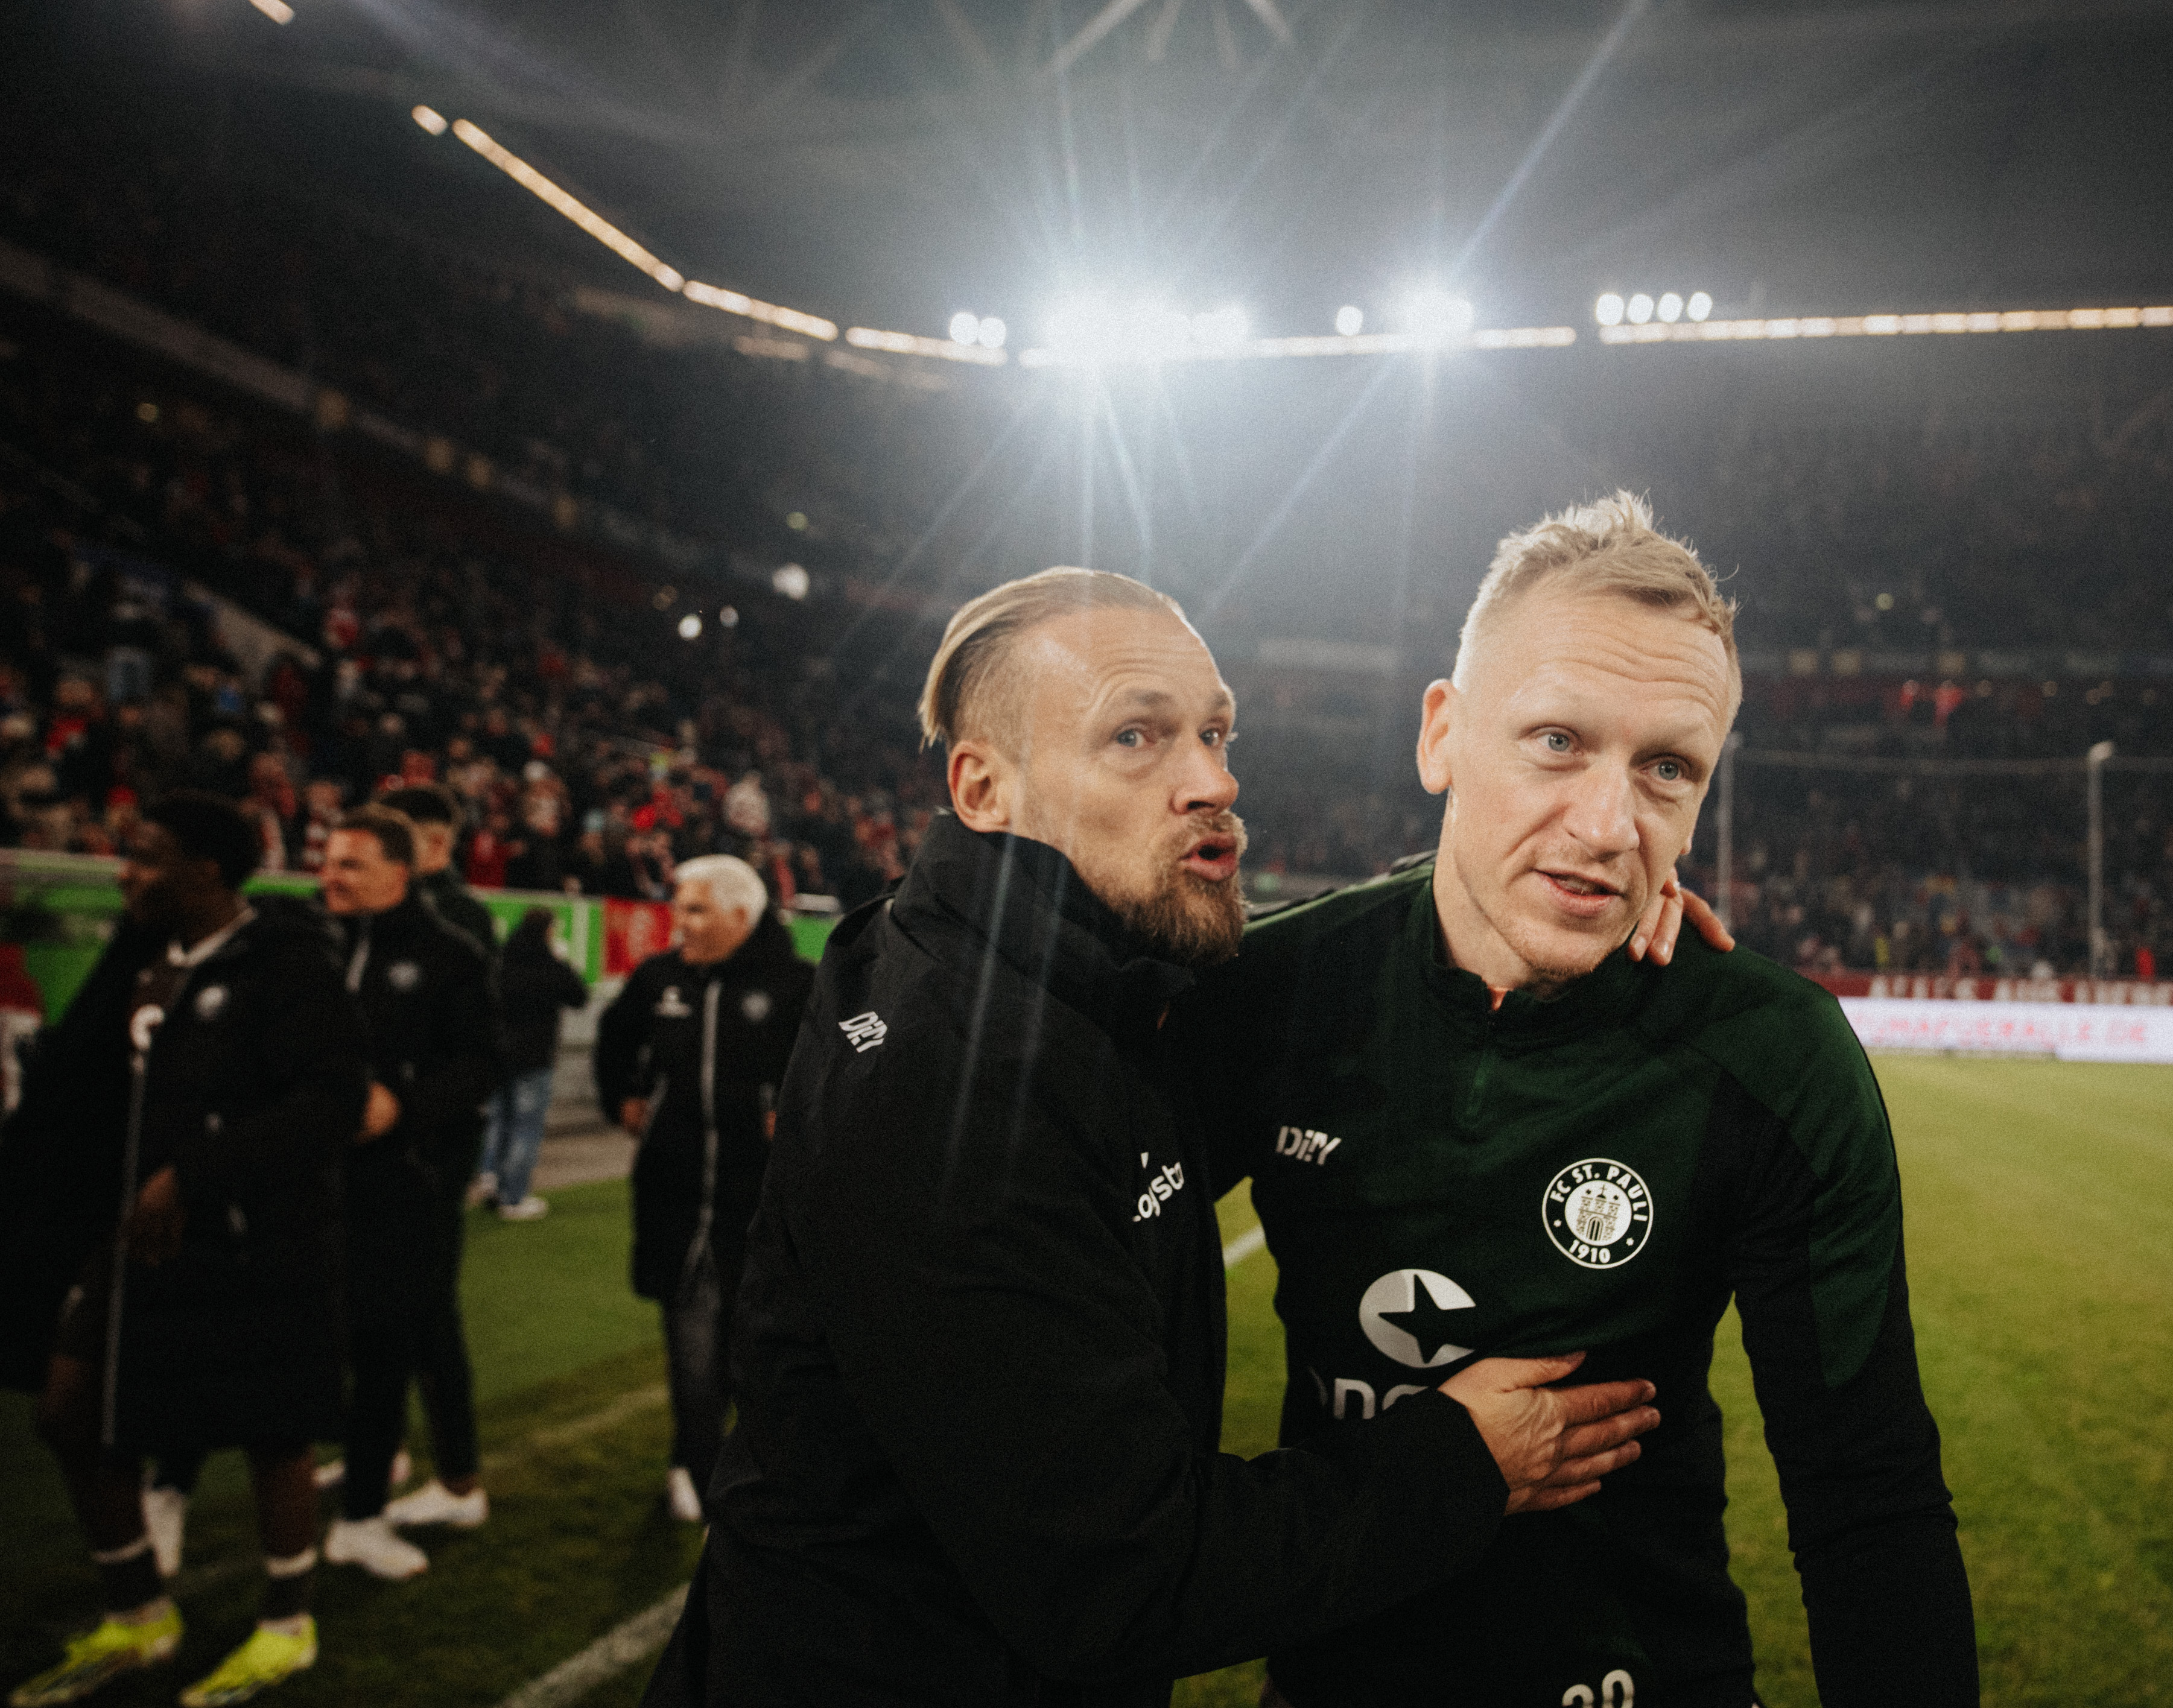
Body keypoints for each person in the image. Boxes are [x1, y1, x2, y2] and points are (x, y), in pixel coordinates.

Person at [642, 569, 1662, 1708]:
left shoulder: (1058, 978)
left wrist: (1567, 886)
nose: (1215, 780)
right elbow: (1125, 1578)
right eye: (1137, 736)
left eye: (1216, 731)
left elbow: (1282, 973)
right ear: (984, 788)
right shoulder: (963, 1095)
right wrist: (1465, 1460)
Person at [1179, 494, 1977, 1708]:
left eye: (1667, 768)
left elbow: (1867, 1504)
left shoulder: (1773, 1054)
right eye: (1556, 740)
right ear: (1441, 735)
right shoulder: (1271, 996)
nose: (1609, 827)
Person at [4, 792, 368, 1707]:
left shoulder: (285, 962)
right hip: (133, 1243)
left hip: (250, 1240)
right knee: (69, 1410)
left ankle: (288, 1624)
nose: (126, 871)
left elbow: (330, 1102)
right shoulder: (146, 959)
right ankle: (137, 1611)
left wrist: (193, 1174)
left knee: (272, 1431)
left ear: (206, 870)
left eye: (148, 856)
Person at [594, 855, 813, 1523]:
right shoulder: (659, 978)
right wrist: (621, 1098)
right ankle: (696, 1470)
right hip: (675, 1209)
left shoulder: (800, 985)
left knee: (766, 1368)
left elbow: (842, 1068)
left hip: (766, 1223)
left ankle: (764, 1482)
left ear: (741, 916)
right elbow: (612, 1039)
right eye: (678, 908)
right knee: (692, 1364)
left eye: (695, 910)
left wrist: (804, 1112)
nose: (679, 923)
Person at [316, 805, 502, 1581]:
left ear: (404, 867)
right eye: (326, 860)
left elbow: (483, 1065)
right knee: (331, 1339)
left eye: (350, 863)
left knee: (397, 1339)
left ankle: (372, 1503)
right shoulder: (311, 942)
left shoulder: (450, 951)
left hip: (406, 1186)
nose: (330, 876)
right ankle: (363, 1473)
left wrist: (404, 1106)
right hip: (312, 1184)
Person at [475, 906, 589, 1221]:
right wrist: (562, 962)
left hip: (499, 1054)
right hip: (534, 1057)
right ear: (548, 930)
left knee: (498, 1119)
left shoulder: (500, 961)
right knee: (525, 1126)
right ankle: (513, 1197)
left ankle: (490, 1180)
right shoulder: (548, 964)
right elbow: (579, 996)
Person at [377, 784, 496, 955]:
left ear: (437, 844)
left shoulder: (462, 919)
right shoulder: (377, 898)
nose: (380, 851)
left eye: (394, 841)